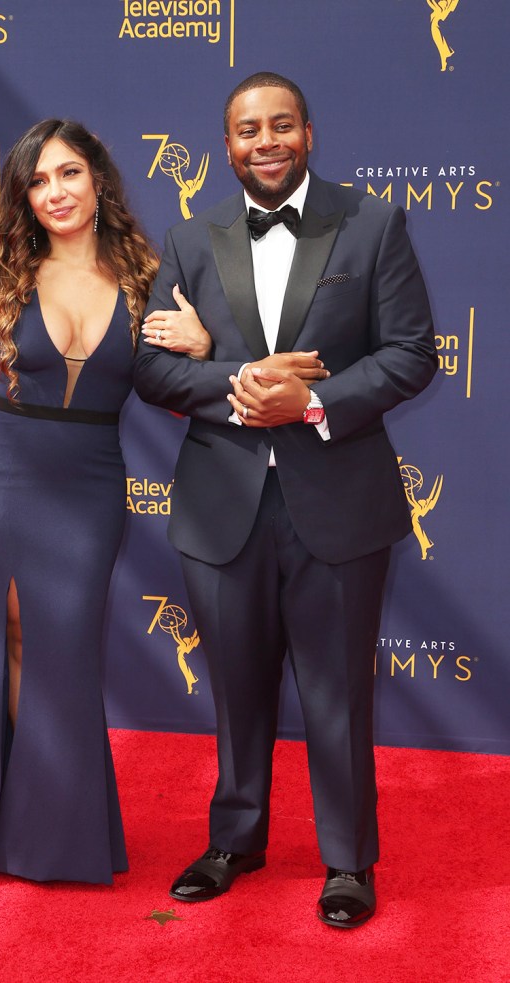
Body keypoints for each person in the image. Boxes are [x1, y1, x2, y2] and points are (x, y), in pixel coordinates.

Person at [134, 73, 437, 926]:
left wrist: (306, 402)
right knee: (234, 685)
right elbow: (152, 366)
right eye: (245, 130)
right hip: (220, 502)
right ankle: (235, 837)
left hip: (338, 499)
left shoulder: (372, 224)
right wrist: (239, 377)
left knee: (340, 690)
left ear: (309, 132)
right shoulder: (190, 239)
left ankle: (347, 860)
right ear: (224, 145)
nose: (264, 141)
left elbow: (412, 354)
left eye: (280, 125)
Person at [0, 118, 207, 884]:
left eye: (68, 174)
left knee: (69, 648)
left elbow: (180, 399)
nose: (55, 191)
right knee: (15, 637)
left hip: (90, 485)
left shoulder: (148, 277)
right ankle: (24, 820)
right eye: (38, 180)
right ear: (25, 195)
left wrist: (203, 347)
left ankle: (59, 820)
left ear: (98, 180)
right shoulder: (5, 277)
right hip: (6, 477)